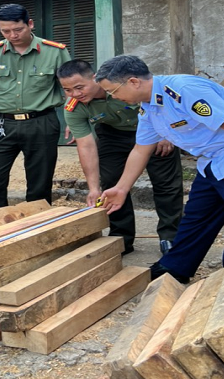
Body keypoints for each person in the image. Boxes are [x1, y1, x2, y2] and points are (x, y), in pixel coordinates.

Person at [95, 55, 224, 283]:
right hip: (214, 158)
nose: (113, 98)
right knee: (198, 213)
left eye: (113, 91)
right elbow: (141, 149)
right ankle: (174, 267)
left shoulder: (184, 89)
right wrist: (121, 188)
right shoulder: (148, 108)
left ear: (133, 82)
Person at [57, 59, 184, 256]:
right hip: (113, 134)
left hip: (154, 128)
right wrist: (93, 188)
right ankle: (121, 237)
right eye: (68, 90)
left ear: (94, 78)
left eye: (79, 87)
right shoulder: (74, 108)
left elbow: (156, 100)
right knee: (112, 183)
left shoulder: (121, 85)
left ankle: (171, 237)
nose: (75, 94)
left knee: (165, 183)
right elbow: (86, 146)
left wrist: (165, 133)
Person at [0, 3, 72, 207]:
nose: (12, 35)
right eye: (6, 31)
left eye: (18, 29)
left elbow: (70, 88)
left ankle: (37, 226)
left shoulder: (55, 52)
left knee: (40, 181)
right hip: (1, 124)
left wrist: (71, 119)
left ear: (30, 24)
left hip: (42, 122)